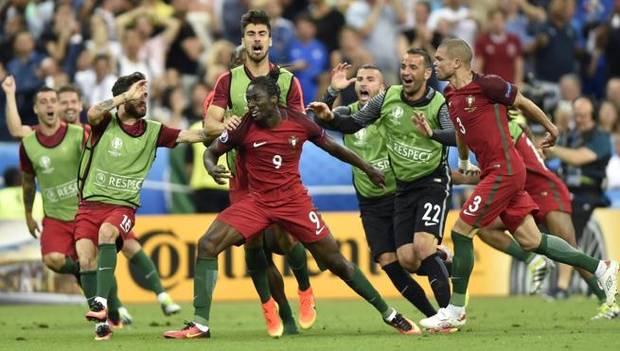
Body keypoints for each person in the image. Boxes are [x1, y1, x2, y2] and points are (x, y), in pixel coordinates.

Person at [163, 76, 420, 339]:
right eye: (248, 99)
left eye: (256, 99)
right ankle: (201, 325)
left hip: (294, 202)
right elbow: (211, 151)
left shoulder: (298, 122)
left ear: (274, 100)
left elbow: (333, 147)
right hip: (257, 202)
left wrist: (367, 167)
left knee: (337, 262)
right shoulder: (243, 126)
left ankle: (391, 315)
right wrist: (210, 166)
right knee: (207, 244)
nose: (250, 105)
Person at [418, 38, 618, 330]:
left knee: (461, 232)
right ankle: (602, 268)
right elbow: (461, 132)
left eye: (438, 58)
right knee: (532, 241)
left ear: (457, 62)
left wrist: (551, 127)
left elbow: (522, 101)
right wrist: (462, 162)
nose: (434, 63)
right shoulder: (450, 94)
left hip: (506, 170)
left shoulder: (488, 85)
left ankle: (456, 309)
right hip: (493, 171)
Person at [2, 77, 181, 323]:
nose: (64, 106)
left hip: (98, 205)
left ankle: (159, 296)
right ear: (37, 108)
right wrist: (10, 93)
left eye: (66, 101)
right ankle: (111, 306)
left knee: (126, 246)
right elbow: (17, 136)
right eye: (55, 102)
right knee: (64, 260)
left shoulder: (84, 132)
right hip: (59, 215)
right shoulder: (33, 140)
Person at [309, 48, 454, 315]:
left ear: (383, 86)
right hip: (370, 201)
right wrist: (331, 92)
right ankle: (433, 314)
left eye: (370, 79)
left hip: (397, 191)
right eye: (360, 79)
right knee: (391, 262)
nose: (363, 83)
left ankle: (445, 299)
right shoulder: (349, 114)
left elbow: (424, 148)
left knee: (415, 254)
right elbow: (321, 120)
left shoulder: (390, 110)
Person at [204, 9, 316, 333]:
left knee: (285, 237)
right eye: (250, 34)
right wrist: (224, 124)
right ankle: (278, 311)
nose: (256, 40)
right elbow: (209, 121)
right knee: (254, 247)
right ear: (243, 40)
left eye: (261, 34)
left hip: (278, 175)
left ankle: (305, 290)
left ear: (269, 39)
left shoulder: (287, 81)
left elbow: (299, 125)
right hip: (243, 177)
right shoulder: (227, 81)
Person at [78, 72, 208, 340]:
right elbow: (91, 113)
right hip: (88, 206)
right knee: (85, 260)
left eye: (146, 95)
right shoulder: (106, 122)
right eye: (140, 94)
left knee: (107, 233)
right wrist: (127, 95)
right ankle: (102, 324)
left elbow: (192, 135)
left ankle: (101, 303)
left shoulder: (153, 130)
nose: (144, 99)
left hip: (122, 207)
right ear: (123, 97)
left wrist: (229, 129)